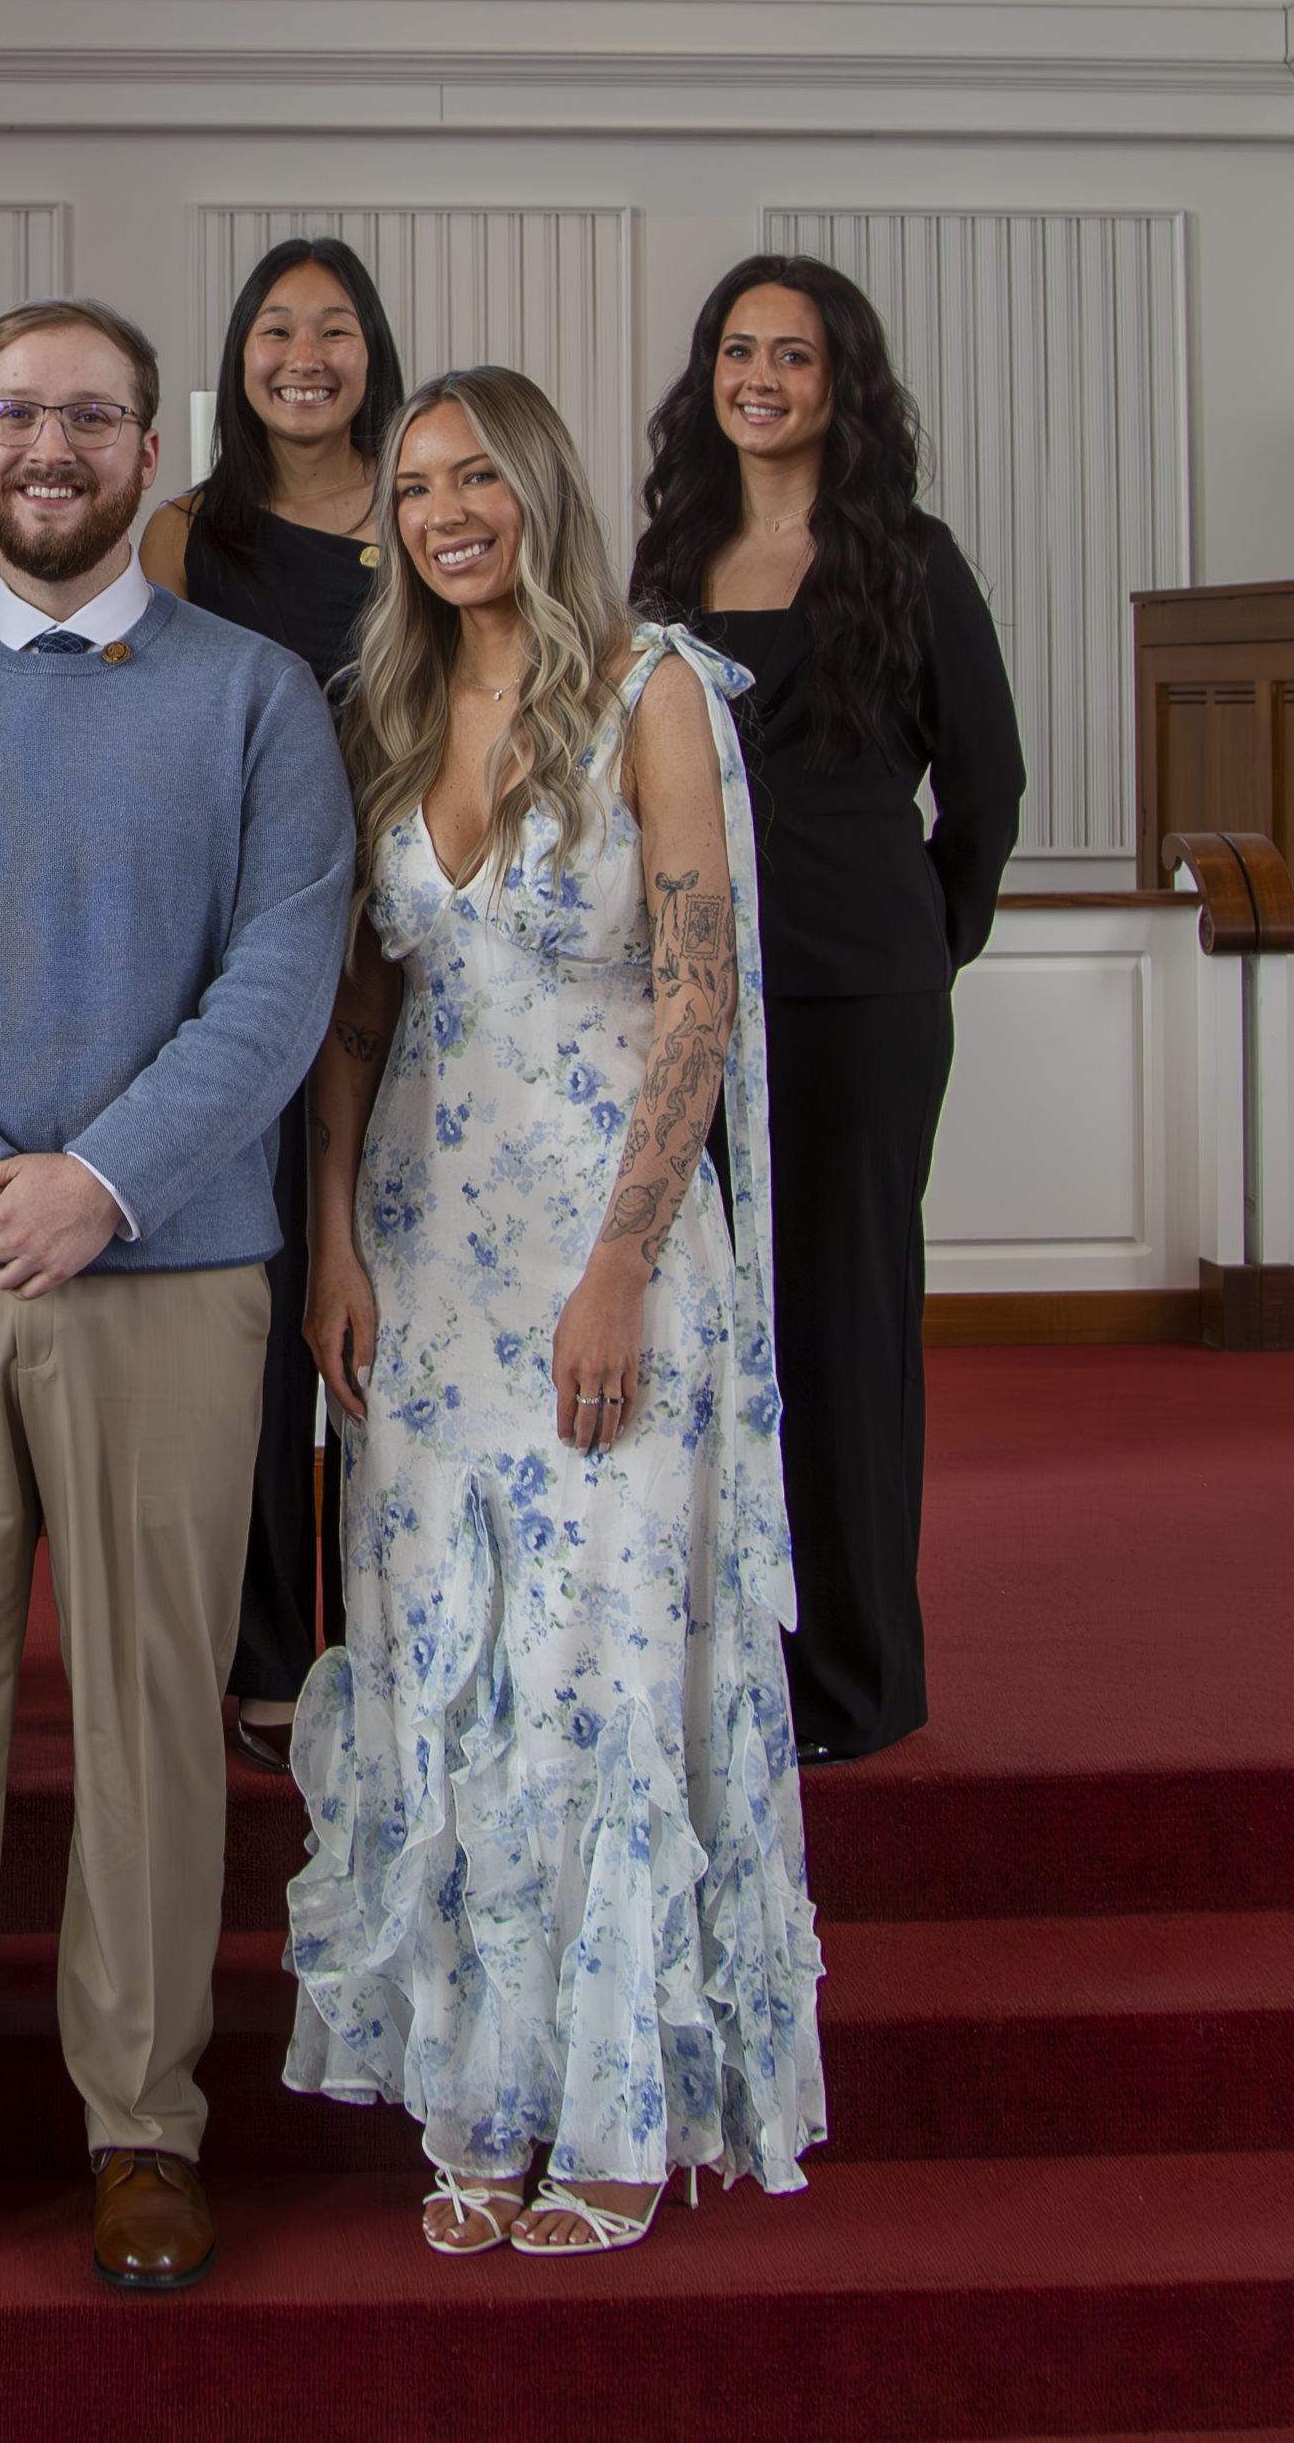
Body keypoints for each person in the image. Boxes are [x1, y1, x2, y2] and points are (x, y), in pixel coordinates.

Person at [0, 298, 356, 2300]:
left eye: (87, 415)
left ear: (145, 443)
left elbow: (284, 974)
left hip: (173, 1268)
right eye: (15, 410)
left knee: (145, 1710)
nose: (48, 444)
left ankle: (140, 2119)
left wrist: (101, 1181)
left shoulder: (261, 696)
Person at [283, 367, 825, 2250]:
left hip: (609, 1248)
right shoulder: (387, 710)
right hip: (426, 1263)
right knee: (448, 1664)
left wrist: (620, 1263)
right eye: (415, 487)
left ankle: (609, 2105)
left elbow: (697, 997)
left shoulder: (652, 688)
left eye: (476, 477)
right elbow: (355, 1014)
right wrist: (333, 1235)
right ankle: (484, 2092)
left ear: (540, 489)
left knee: (591, 1663)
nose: (444, 512)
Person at [629, 255, 1021, 1761]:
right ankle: (723, 1667)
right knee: (710, 1328)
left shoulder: (909, 559)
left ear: (841, 385)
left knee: (843, 1327)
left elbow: (986, 789)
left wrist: (917, 940)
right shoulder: (671, 557)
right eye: (739, 351)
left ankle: (853, 1677)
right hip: (693, 999)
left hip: (858, 998)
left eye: (794, 356)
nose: (762, 379)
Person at [137, 236, 406, 1768]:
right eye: (275, 330)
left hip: (419, 956)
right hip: (245, 956)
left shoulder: (432, 501)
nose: (305, 355)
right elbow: (155, 740)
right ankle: (266, 1644)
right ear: (236, 355)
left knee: (386, 1298)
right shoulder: (191, 533)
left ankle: (391, 1621)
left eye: (336, 328)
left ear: (374, 348)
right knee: (259, 1302)